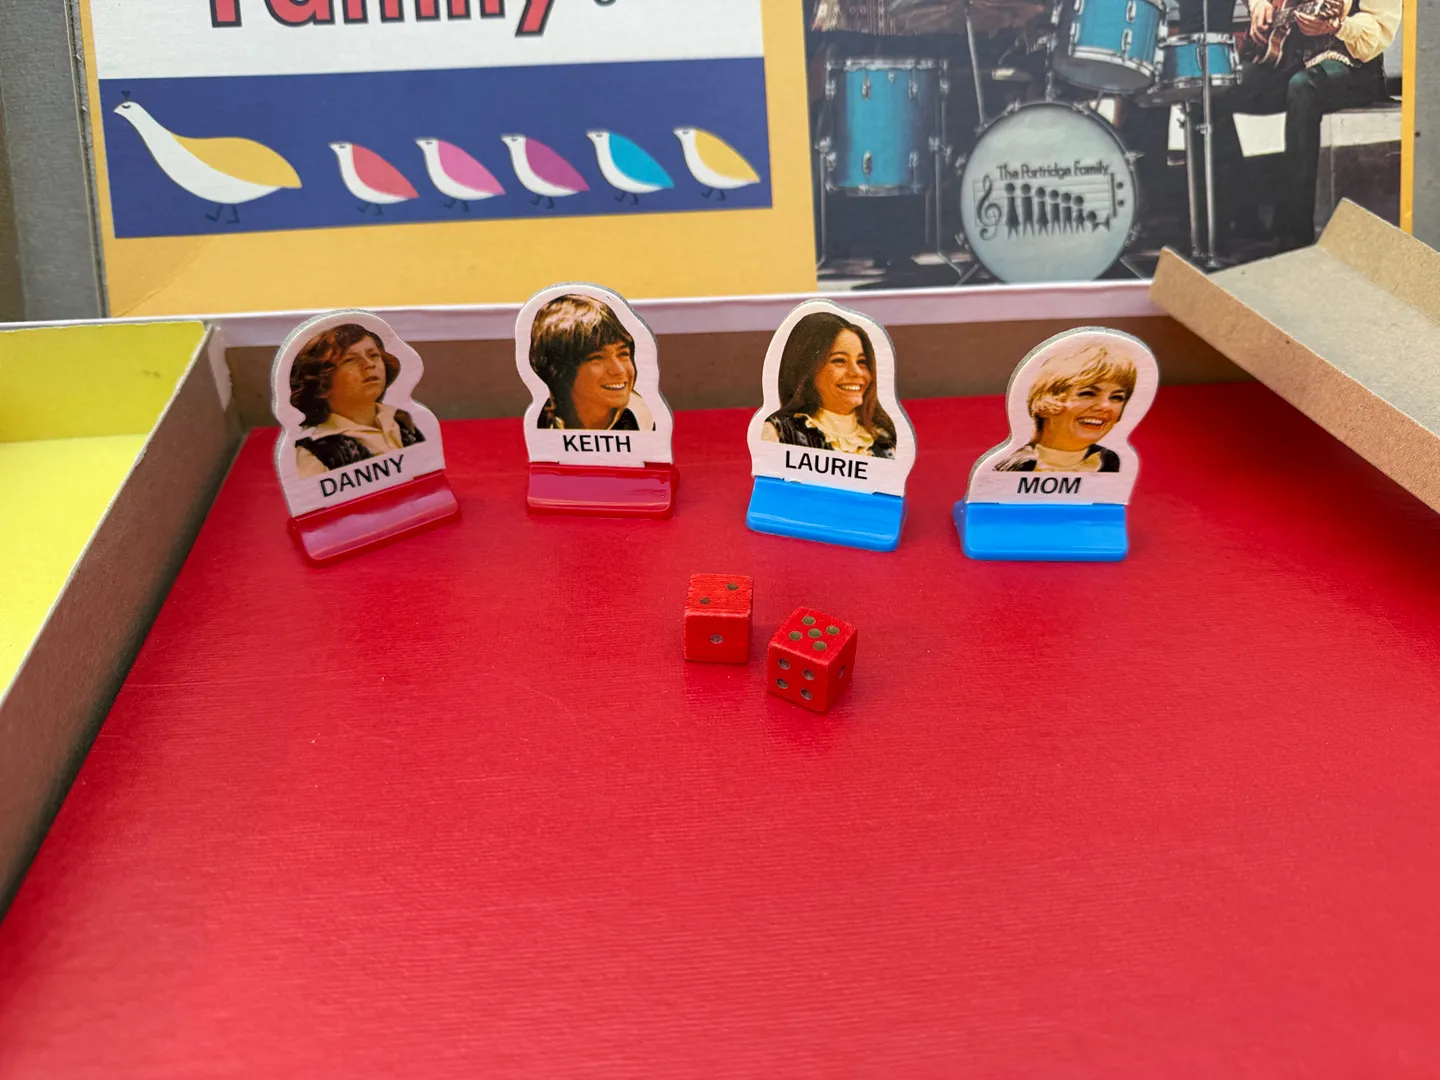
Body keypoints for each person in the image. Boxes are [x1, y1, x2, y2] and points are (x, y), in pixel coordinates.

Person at [1212, 0, 1399, 252]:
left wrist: (1339, 27)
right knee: (1217, 91)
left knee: (1302, 88)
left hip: (1354, 65)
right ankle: (1242, 217)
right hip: (1289, 58)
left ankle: (1295, 233)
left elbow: (1379, 29)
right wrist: (1257, 4)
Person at [290, 323, 426, 478]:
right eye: (350, 360)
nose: (369, 364)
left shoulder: (402, 420)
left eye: (373, 355)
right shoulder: (315, 453)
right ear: (320, 384)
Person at [762, 311, 897, 458]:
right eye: (839, 360)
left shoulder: (884, 439)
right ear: (807, 369)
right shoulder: (779, 433)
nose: (856, 372)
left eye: (862, 362)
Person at [995, 343, 1136, 472]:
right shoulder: (1018, 465)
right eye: (1087, 394)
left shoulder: (1108, 460)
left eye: (1116, 397)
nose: (1105, 406)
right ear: (1048, 398)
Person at [529, 295, 655, 431]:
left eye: (623, 354)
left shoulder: (645, 421)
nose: (619, 370)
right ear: (560, 369)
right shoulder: (539, 420)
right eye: (597, 358)